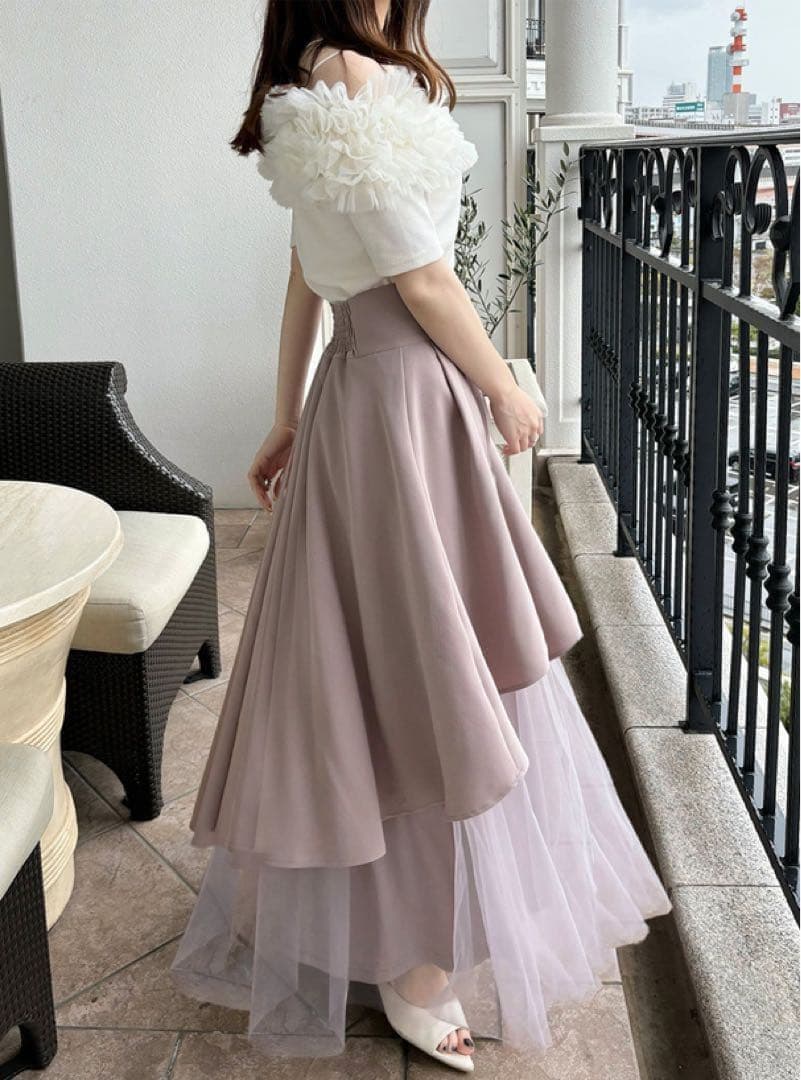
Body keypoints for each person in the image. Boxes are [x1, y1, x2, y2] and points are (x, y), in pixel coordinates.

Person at [170, 0, 673, 1071]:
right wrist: (503, 388)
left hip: (369, 396)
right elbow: (421, 275)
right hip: (404, 397)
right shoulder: (349, 75)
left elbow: (308, 267)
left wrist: (288, 413)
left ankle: (392, 935)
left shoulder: (325, 72)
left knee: (388, 664)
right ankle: (413, 964)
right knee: (422, 667)